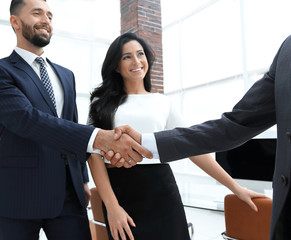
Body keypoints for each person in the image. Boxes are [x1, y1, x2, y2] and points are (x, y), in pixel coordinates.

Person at [111, 35, 291, 239]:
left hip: (161, 190)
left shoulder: (162, 102)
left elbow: (194, 150)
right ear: (116, 66)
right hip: (121, 190)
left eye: (140, 54)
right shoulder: (104, 104)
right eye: (127, 57)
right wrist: (111, 206)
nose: (136, 61)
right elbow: (232, 126)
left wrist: (234, 187)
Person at [0, 1, 151, 239]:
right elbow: (26, 119)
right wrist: (99, 137)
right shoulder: (3, 71)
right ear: (15, 21)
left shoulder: (65, 75)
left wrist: (82, 178)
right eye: (36, 13)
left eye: (50, 16)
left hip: (69, 195)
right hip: (19, 195)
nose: (46, 20)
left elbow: (71, 123)